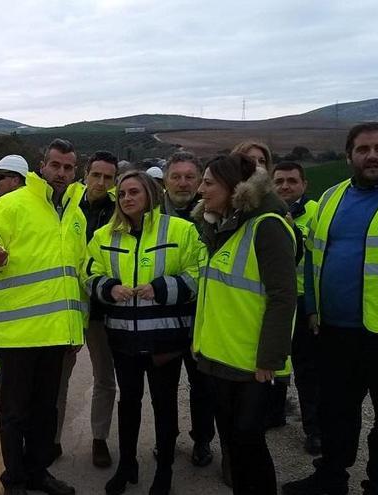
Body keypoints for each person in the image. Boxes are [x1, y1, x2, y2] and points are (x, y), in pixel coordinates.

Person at [283, 122, 378, 495]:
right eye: (363, 149)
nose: (372, 155)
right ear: (349, 154)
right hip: (335, 330)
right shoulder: (332, 197)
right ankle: (330, 479)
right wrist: (311, 309)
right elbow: (312, 257)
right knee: (335, 412)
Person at [0, 139, 87, 495]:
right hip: (19, 333)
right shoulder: (13, 204)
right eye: (56, 166)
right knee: (15, 413)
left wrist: (76, 330)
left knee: (45, 412)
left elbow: (78, 274)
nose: (61, 174)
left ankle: (38, 472)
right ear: (42, 166)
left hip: (57, 334)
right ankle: (15, 479)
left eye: (68, 168)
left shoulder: (76, 215)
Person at [86, 170, 202, 495]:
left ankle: (164, 470)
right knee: (129, 403)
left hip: (165, 340)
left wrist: (163, 287)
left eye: (134, 192)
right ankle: (127, 465)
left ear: (150, 194)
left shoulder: (181, 230)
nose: (127, 199)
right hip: (123, 339)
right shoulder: (104, 235)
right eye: (122, 194)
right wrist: (107, 288)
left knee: (164, 406)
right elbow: (89, 272)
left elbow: (198, 273)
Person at [192, 153, 297, 495]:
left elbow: (283, 297)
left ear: (232, 187)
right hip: (219, 358)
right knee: (234, 446)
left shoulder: (267, 226)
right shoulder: (222, 227)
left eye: (208, 182)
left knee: (250, 446)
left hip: (252, 365)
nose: (200, 189)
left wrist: (270, 359)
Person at [56, 151, 118, 468]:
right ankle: (50, 441)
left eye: (108, 177)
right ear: (86, 174)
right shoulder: (67, 204)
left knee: (105, 378)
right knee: (58, 379)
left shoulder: (121, 211)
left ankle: (99, 439)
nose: (101, 182)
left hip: (103, 308)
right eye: (96, 175)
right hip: (69, 305)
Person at [159, 151, 218, 469]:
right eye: (176, 176)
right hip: (163, 316)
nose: (182, 183)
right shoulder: (151, 214)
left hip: (203, 314)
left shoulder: (214, 213)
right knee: (163, 386)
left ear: (199, 181)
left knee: (203, 384)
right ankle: (165, 440)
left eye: (189, 177)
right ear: (165, 181)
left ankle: (202, 440)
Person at [269, 161, 321, 454]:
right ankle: (275, 414)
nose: (285, 186)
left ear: (304, 185)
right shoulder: (266, 214)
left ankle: (314, 429)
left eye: (292, 181)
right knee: (275, 361)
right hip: (275, 301)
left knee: (307, 369)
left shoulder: (317, 214)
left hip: (304, 302)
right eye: (279, 181)